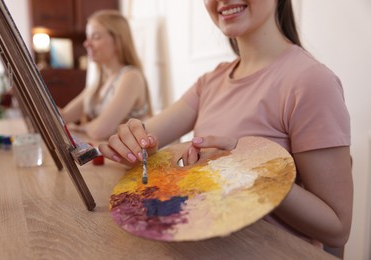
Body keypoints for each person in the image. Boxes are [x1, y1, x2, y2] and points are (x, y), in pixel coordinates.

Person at [99, 0, 353, 248]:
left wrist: (254, 167)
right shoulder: (211, 82)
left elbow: (338, 230)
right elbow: (145, 138)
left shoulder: (311, 82)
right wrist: (130, 139)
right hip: (204, 246)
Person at [60, 10, 152, 140]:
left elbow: (100, 131)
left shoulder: (131, 77)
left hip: (132, 157)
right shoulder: (100, 81)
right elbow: (64, 116)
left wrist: (80, 127)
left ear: (118, 41)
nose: (87, 44)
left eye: (95, 37)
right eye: (88, 37)